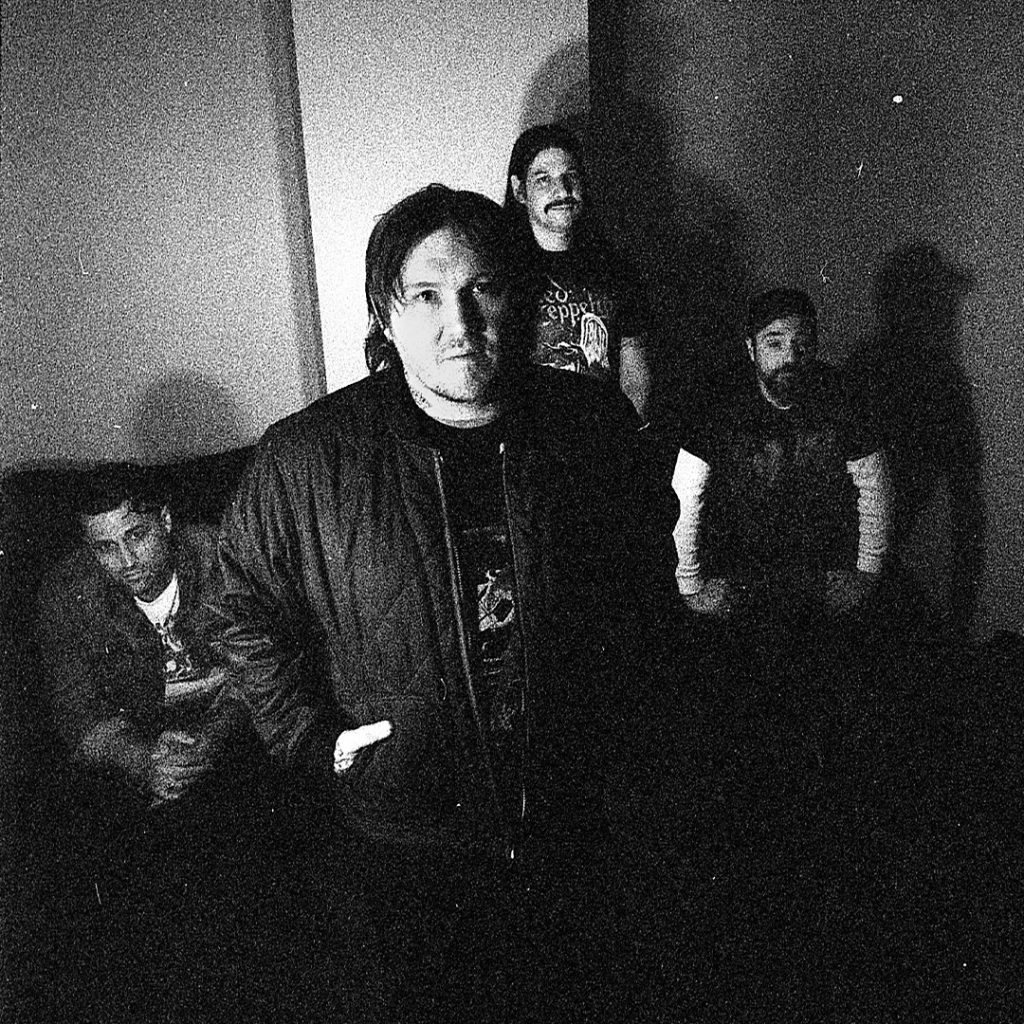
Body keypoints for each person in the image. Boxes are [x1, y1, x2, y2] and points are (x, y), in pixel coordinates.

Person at [215, 184, 676, 1021]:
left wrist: (631, 724)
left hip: (573, 811)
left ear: (516, 296)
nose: (459, 323)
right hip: (411, 836)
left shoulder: (590, 425)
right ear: (385, 317)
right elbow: (240, 604)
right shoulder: (307, 458)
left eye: (481, 289)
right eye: (425, 296)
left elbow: (646, 574)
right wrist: (310, 737)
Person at [35, 462, 253, 1020]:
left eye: (136, 535)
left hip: (234, 725)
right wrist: (145, 761)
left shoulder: (224, 556)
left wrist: (210, 743)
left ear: (167, 521)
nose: (126, 561)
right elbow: (78, 716)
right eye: (105, 548)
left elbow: (260, 670)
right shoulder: (67, 592)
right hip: (137, 743)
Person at [671, 286, 892, 626]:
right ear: (751, 348)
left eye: (802, 343)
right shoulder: (717, 400)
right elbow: (685, 496)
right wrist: (690, 586)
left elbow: (875, 488)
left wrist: (866, 575)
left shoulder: (842, 396)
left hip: (819, 569)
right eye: (774, 343)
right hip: (740, 571)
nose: (790, 356)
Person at [503, 122, 654, 419]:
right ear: (519, 190)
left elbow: (635, 377)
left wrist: (629, 434)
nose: (562, 190)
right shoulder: (499, 268)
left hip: (601, 434)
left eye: (570, 176)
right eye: (543, 179)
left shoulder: (616, 269)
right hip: (529, 436)